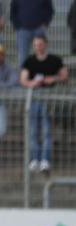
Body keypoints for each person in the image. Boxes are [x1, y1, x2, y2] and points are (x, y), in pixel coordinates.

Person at [20, 35, 68, 173]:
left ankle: (45, 160)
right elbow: (23, 80)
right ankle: (34, 159)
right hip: (34, 98)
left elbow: (64, 75)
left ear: (45, 44)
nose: (38, 47)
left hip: (49, 100)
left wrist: (52, 79)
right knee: (33, 131)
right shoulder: (29, 61)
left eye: (40, 44)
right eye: (35, 45)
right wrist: (32, 83)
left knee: (47, 131)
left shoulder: (55, 60)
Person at [10, 0, 54, 68]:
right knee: (23, 56)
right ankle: (24, 81)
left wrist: (45, 23)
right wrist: (17, 26)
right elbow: (13, 10)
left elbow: (50, 9)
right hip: (23, 30)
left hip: (39, 29)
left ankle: (41, 79)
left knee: (41, 55)